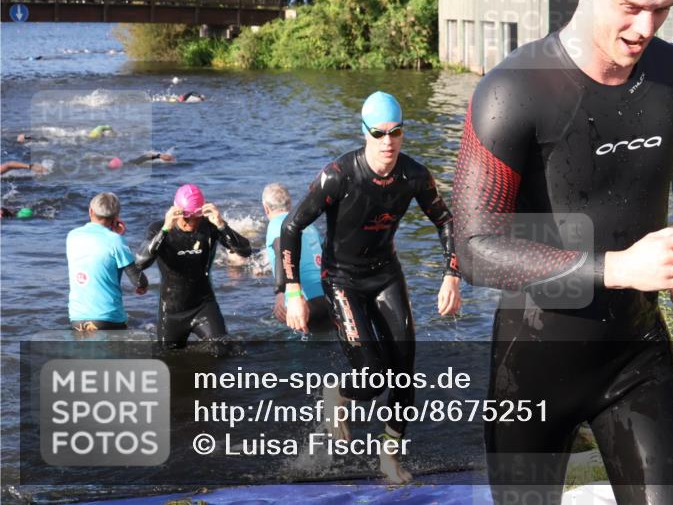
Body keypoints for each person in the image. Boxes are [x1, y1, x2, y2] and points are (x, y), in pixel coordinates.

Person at [451, 0, 673, 505]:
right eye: (629, 6)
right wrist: (620, 269)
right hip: (533, 363)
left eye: (660, 12)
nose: (644, 27)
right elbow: (472, 247)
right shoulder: (512, 91)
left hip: (635, 352)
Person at [278, 91, 462, 484]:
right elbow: (291, 226)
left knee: (405, 376)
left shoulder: (414, 175)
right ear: (364, 133)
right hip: (342, 278)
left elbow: (446, 220)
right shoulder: (339, 175)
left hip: (385, 275)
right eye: (379, 133)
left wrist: (452, 275)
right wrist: (292, 291)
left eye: (395, 132)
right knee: (373, 374)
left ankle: (389, 456)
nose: (388, 142)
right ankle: (336, 396)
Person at [136, 184, 251, 348]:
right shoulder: (159, 229)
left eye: (196, 217)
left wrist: (221, 225)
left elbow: (245, 251)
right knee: (169, 360)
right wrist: (165, 229)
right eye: (186, 217)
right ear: (176, 211)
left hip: (203, 306)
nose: (191, 222)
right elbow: (141, 262)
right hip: (171, 311)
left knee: (223, 349)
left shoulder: (210, 226)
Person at [66, 192, 149, 331]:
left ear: (90, 211)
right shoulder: (116, 240)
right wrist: (143, 287)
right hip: (108, 318)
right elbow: (139, 281)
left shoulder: (72, 236)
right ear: (116, 216)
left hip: (77, 318)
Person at [261, 183, 333, 332]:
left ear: (265, 208)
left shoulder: (275, 225)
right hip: (327, 296)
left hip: (303, 302)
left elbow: (283, 251)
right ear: (290, 204)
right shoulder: (307, 225)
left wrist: (280, 292)